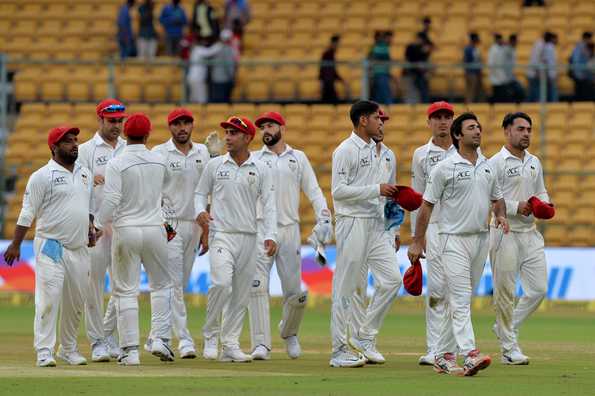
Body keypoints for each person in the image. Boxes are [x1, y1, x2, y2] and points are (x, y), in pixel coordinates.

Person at [408, 112, 509, 376]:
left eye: (479, 127)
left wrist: (500, 216)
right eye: (471, 128)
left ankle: (443, 355)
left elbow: (497, 199)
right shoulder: (444, 167)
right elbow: (426, 206)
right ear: (457, 135)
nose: (478, 131)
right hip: (451, 240)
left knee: (461, 299)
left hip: (479, 239)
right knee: (462, 299)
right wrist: (417, 242)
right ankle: (470, 353)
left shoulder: (488, 166)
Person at [4, 125, 94, 367]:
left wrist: (90, 229)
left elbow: (87, 207)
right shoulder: (42, 176)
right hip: (51, 246)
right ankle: (44, 351)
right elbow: (27, 212)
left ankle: (68, 349)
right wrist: (15, 244)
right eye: (67, 141)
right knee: (48, 300)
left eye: (75, 140)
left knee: (76, 303)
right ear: (54, 148)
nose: (74, 144)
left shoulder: (85, 173)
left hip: (79, 248)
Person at [249, 111, 331, 361]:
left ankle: (289, 332)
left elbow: (314, 191)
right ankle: (261, 344)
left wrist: (324, 217)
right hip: (261, 229)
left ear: (282, 128)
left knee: (295, 291)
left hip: (289, 229)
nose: (266, 130)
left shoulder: (298, 158)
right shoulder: (253, 159)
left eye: (270, 125)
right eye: (262, 127)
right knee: (257, 287)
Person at [196, 116, 277, 362]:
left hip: (249, 237)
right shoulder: (215, 165)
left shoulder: (261, 168)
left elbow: (270, 205)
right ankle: (211, 335)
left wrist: (271, 235)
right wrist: (199, 211)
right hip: (222, 235)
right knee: (221, 284)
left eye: (233, 133)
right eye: (227, 133)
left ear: (247, 138)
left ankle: (229, 343)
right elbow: (200, 193)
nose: (227, 138)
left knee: (242, 294)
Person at [95, 113, 175, 365]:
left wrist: (97, 224)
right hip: (155, 229)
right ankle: (160, 338)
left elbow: (111, 200)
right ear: (148, 134)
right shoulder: (160, 160)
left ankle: (130, 351)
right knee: (162, 286)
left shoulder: (117, 163)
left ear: (125, 134)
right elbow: (166, 192)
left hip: (127, 230)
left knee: (126, 291)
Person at [330, 100, 402, 367]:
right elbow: (338, 191)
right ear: (363, 120)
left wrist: (394, 227)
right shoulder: (345, 150)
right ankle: (338, 350)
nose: (380, 123)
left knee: (392, 280)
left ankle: (364, 336)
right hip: (352, 223)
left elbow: (390, 193)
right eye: (376, 118)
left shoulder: (383, 153)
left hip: (377, 225)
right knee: (346, 288)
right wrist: (375, 189)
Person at [147, 108, 211, 359]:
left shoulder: (202, 152)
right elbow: (151, 192)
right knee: (173, 283)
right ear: (169, 127)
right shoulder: (159, 153)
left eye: (186, 123)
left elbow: (208, 192)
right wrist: (162, 224)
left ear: (192, 125)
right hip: (169, 224)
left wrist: (206, 229)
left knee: (179, 284)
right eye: (177, 124)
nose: (182, 128)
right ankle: (184, 339)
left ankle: (154, 335)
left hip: (194, 223)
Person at [489, 112, 550, 365]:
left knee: (538, 290)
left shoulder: (534, 161)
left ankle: (505, 327)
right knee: (504, 292)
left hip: (530, 233)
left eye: (529, 129)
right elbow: (488, 199)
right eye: (521, 129)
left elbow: (541, 190)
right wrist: (516, 207)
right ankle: (508, 348)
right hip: (505, 231)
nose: (526, 133)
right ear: (507, 131)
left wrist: (545, 203)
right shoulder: (495, 163)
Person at [79, 99, 128, 363]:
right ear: (100, 120)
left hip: (123, 226)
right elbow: (77, 187)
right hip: (95, 228)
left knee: (122, 287)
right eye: (112, 121)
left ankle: (109, 335)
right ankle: (97, 341)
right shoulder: (86, 150)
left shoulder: (129, 149)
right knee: (94, 287)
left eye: (120, 121)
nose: (117, 126)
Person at [410, 102, 457, 366]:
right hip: (435, 228)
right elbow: (416, 197)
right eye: (437, 118)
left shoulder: (466, 150)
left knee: (458, 291)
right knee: (437, 289)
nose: (442, 122)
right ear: (429, 122)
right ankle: (434, 348)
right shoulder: (420, 155)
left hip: (461, 229)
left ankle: (451, 345)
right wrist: (418, 235)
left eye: (447, 117)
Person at [187, 38, 224, 103]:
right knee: (201, 99)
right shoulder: (198, 49)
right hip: (196, 78)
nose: (205, 43)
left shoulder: (197, 50)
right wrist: (220, 44)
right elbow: (209, 52)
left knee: (195, 99)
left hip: (196, 78)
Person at [527, 32, 557, 102]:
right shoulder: (540, 45)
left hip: (538, 73)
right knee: (536, 95)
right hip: (535, 73)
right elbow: (537, 60)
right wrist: (538, 72)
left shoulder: (543, 45)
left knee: (536, 94)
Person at [403, 32, 433, 104]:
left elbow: (425, 58)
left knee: (423, 91)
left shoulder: (424, 48)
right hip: (411, 73)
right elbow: (410, 58)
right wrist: (422, 51)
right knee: (412, 92)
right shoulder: (411, 47)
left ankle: (423, 104)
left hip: (421, 74)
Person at [209, 30, 237, 103]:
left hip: (215, 78)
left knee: (217, 101)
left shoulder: (216, 47)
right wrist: (232, 77)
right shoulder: (227, 49)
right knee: (222, 101)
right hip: (224, 79)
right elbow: (229, 66)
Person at [319, 35, 345, 104]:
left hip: (329, 81)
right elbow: (325, 69)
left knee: (329, 101)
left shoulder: (331, 54)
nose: (338, 46)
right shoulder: (327, 54)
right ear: (333, 43)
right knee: (330, 101)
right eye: (337, 44)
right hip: (328, 81)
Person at [369, 32, 394, 104]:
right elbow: (387, 60)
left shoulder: (375, 48)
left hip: (378, 73)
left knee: (378, 95)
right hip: (381, 73)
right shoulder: (382, 47)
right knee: (384, 94)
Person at [570, 32, 594, 101]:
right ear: (586, 38)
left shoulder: (584, 47)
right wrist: (578, 73)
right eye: (590, 39)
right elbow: (576, 61)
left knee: (584, 93)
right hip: (580, 75)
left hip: (584, 75)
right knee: (581, 94)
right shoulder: (579, 47)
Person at [488, 34, 510, 103]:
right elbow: (491, 63)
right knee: (497, 95)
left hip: (502, 76)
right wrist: (495, 74)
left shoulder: (502, 48)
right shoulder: (493, 49)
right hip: (496, 77)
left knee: (502, 96)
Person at [504, 34, 525, 103]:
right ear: (512, 41)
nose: (516, 43)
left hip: (511, 77)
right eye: (516, 41)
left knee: (520, 91)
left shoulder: (512, 50)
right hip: (506, 78)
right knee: (518, 91)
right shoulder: (507, 50)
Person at [463, 33, 483, 103]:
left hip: (476, 72)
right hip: (471, 72)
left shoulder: (476, 49)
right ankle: (469, 104)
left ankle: (476, 104)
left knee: (477, 90)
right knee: (471, 91)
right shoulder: (468, 49)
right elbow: (466, 61)